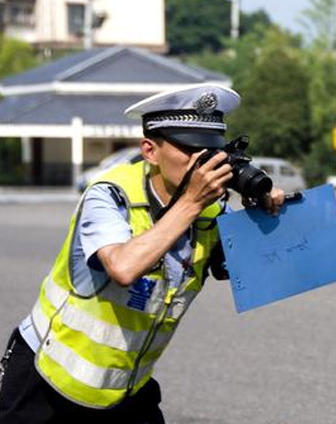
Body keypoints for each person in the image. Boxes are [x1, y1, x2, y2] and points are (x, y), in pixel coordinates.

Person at [0, 84, 284, 423]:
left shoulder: (211, 211)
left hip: (124, 386)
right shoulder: (109, 195)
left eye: (212, 151)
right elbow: (122, 267)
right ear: (150, 150)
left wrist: (265, 218)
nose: (204, 162)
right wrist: (191, 202)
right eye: (191, 149)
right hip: (47, 378)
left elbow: (259, 273)